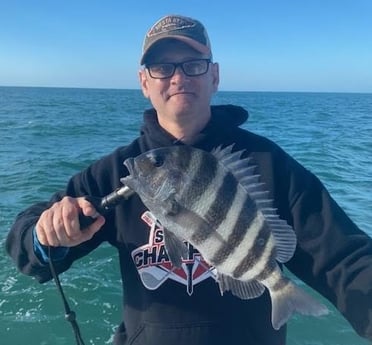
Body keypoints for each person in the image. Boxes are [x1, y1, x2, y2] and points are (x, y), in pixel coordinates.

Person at [6, 14, 372, 345]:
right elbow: (26, 245)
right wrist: (45, 235)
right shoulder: (120, 171)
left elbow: (345, 258)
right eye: (162, 67)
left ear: (214, 76)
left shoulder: (268, 164)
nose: (178, 77)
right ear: (144, 82)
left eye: (193, 65)